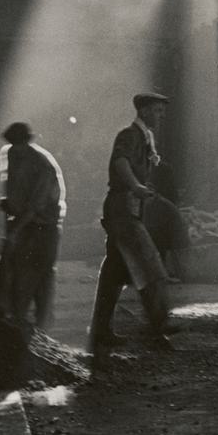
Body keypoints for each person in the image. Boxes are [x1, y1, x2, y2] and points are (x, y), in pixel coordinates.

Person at [88, 92, 183, 351]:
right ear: (143, 111)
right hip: (123, 208)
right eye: (157, 110)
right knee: (150, 264)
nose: (161, 116)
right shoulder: (130, 135)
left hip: (126, 208)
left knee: (114, 275)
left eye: (162, 111)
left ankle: (100, 332)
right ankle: (157, 327)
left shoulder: (145, 139)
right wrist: (136, 186)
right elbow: (120, 162)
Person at [0, 122, 66, 333]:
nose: (14, 148)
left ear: (26, 142)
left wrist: (16, 231)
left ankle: (39, 324)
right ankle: (7, 316)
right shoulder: (12, 154)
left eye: (18, 144)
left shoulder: (41, 164)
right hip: (24, 223)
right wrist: (9, 204)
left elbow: (36, 204)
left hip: (44, 225)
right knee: (12, 267)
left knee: (38, 273)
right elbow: (13, 189)